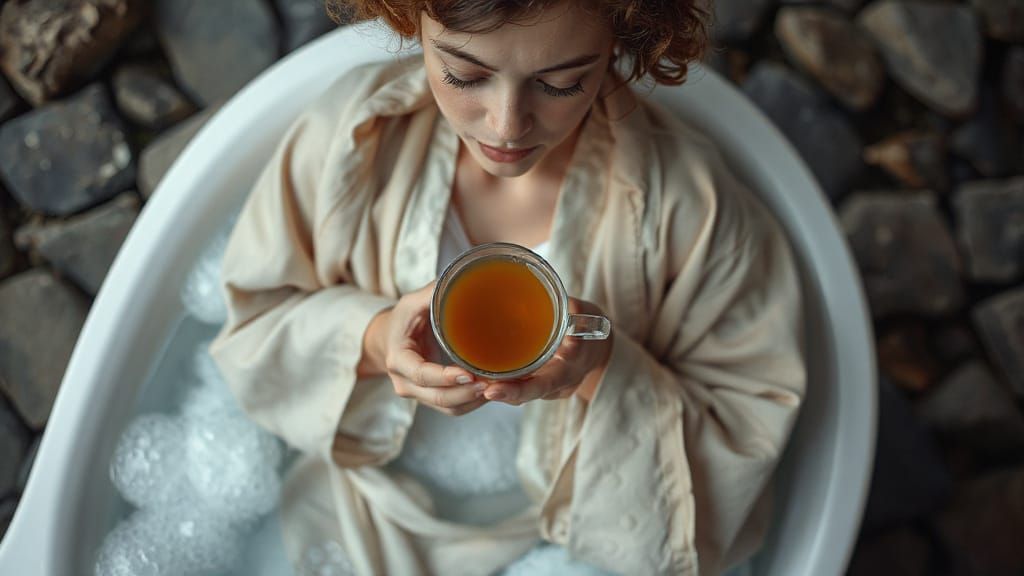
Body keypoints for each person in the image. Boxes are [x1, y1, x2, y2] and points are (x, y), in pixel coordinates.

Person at [209, 0, 807, 574]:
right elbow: (252, 327)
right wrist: (373, 340)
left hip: (573, 548)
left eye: (560, 84)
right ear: (408, 20)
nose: (507, 124)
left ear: (622, 43)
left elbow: (742, 448)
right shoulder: (351, 137)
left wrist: (598, 366)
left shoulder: (695, 213)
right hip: (357, 511)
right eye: (464, 75)